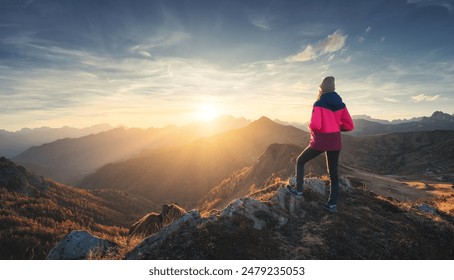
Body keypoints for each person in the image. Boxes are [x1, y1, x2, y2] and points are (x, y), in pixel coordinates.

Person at [287, 76, 354, 213]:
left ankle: (299, 191)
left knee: (300, 161)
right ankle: (332, 205)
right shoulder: (341, 105)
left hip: (320, 142)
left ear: (322, 88)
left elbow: (316, 125)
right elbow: (350, 126)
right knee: (333, 175)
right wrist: (336, 127)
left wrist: (309, 125)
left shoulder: (318, 103)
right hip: (335, 142)